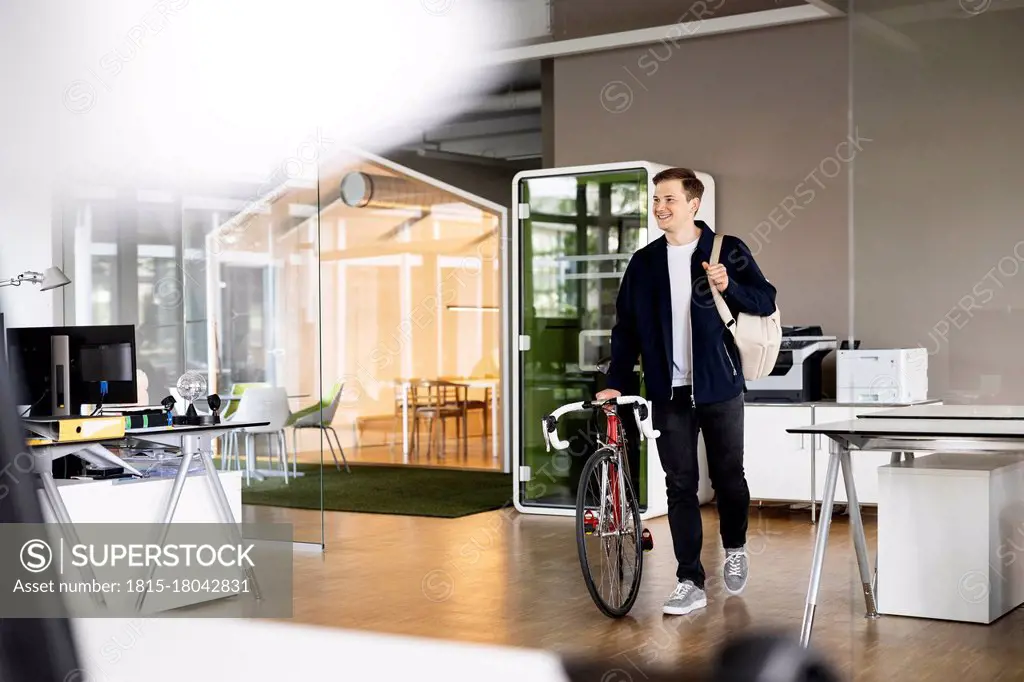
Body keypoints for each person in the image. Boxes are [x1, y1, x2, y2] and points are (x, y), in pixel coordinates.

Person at [595, 167, 777, 616]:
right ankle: (689, 579)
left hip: (720, 387)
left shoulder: (725, 249)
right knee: (680, 485)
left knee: (728, 479)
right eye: (656, 199)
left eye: (669, 199)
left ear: (693, 204)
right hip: (668, 392)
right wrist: (615, 380)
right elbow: (626, 330)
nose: (660, 207)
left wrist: (728, 285)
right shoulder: (644, 263)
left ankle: (734, 547)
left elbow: (766, 299)